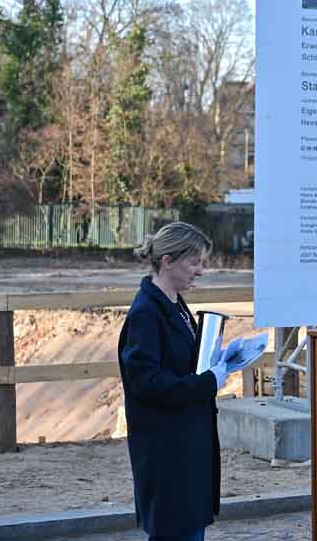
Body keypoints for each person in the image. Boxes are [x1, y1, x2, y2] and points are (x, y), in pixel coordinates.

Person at [118, 222, 227, 541]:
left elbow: (182, 362)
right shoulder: (146, 314)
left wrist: (219, 359)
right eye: (194, 262)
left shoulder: (174, 304)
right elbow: (147, 383)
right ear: (167, 261)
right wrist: (209, 382)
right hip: (166, 451)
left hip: (185, 444)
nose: (200, 271)